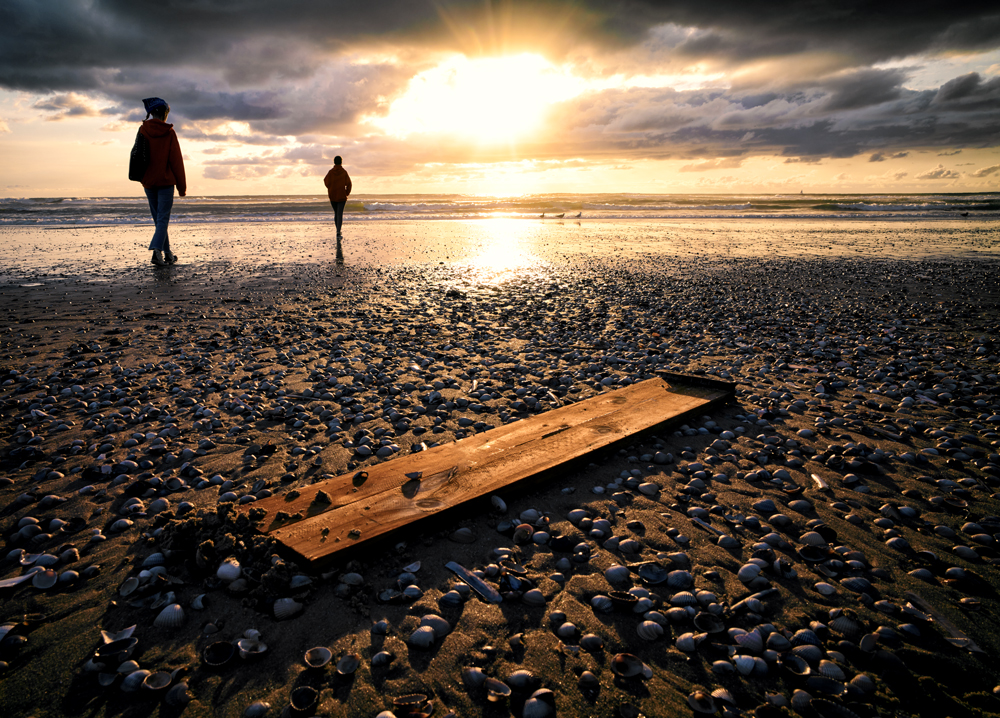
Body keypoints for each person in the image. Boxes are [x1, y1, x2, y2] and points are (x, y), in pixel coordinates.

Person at [139, 97, 186, 266]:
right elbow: (176, 161)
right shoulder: (169, 132)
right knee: (163, 219)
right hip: (165, 182)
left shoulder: (143, 130)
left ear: (151, 113)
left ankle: (167, 254)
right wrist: (182, 187)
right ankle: (156, 251)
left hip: (148, 181)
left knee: (159, 220)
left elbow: (137, 155)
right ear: (165, 113)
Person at [323, 156, 352, 239]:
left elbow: (326, 181)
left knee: (336, 213)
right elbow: (349, 184)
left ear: (334, 162)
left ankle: (338, 230)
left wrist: (331, 188)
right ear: (341, 162)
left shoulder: (331, 172)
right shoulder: (343, 172)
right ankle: (338, 231)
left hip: (332, 195)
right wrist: (346, 193)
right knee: (339, 214)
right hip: (341, 196)